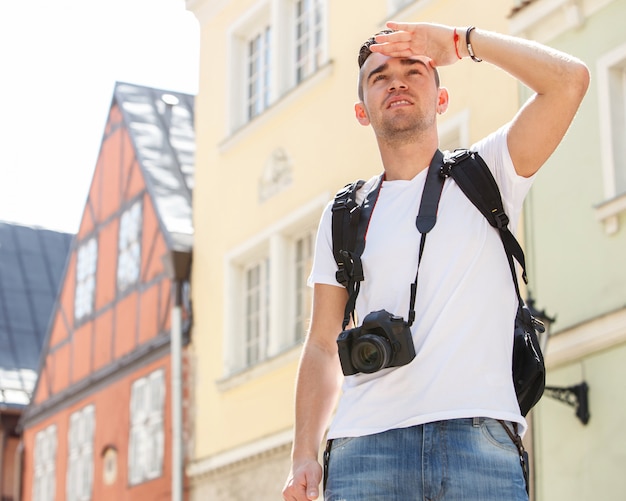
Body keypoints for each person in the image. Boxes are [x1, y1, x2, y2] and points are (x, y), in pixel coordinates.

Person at [282, 22, 589, 501]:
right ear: (362, 112)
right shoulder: (343, 214)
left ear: (441, 99)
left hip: (479, 444)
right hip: (365, 452)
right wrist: (304, 452)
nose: (397, 81)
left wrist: (458, 43)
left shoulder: (489, 173)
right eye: (380, 76)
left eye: (413, 69)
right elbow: (322, 344)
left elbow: (569, 80)